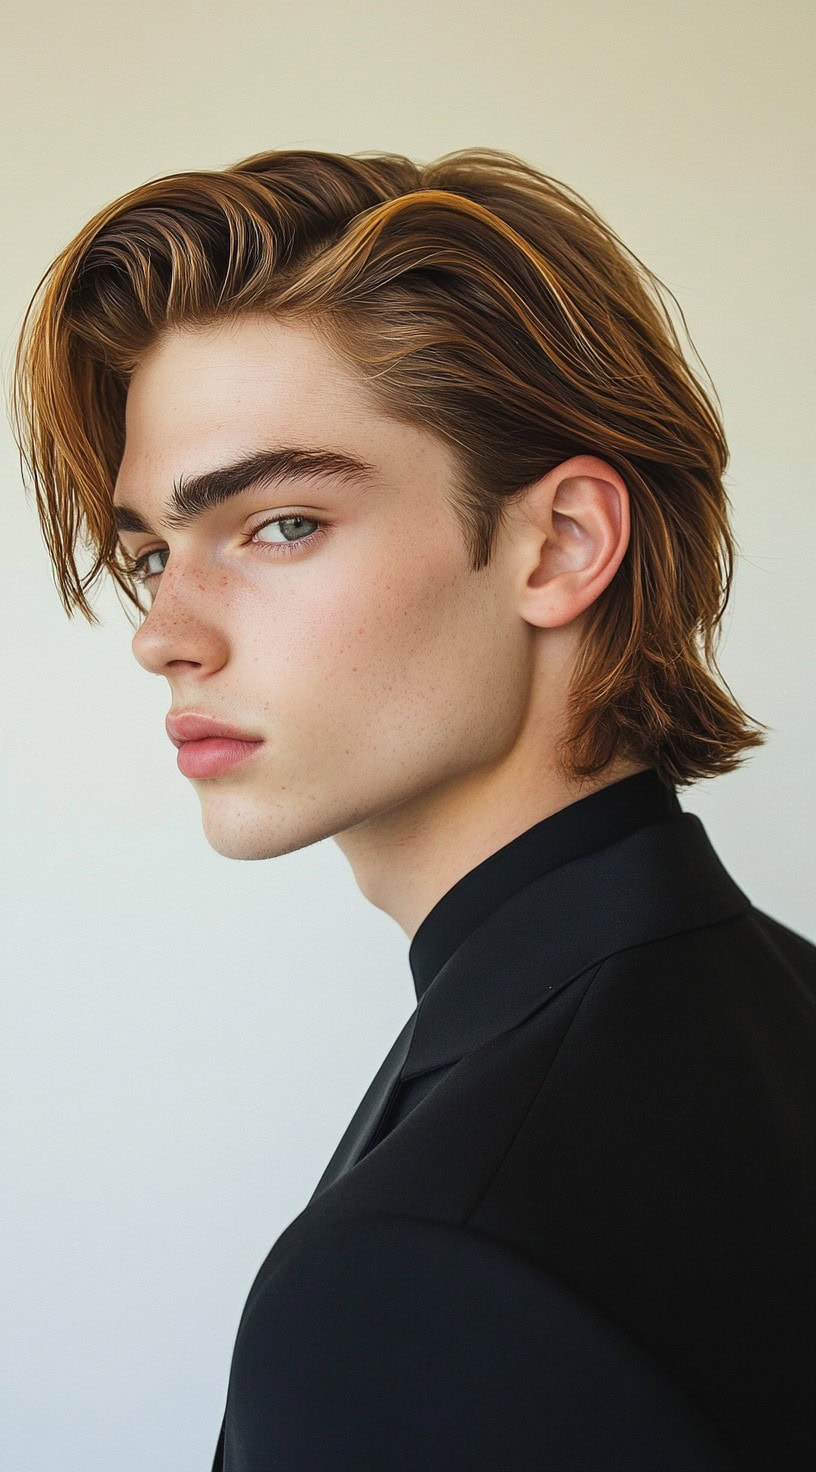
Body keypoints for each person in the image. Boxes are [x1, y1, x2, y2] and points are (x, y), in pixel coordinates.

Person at [10, 146, 815, 1471]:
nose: (163, 633)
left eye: (278, 525)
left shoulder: (427, 1270)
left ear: (559, 544)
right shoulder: (770, 1014)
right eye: (152, 549)